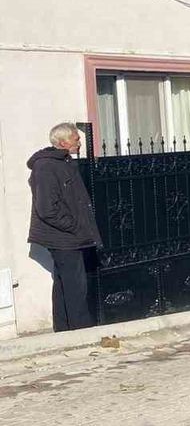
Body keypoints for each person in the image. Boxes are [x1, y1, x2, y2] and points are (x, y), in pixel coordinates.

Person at [28, 123, 101, 332]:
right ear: (62, 142)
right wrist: (75, 226)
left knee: (63, 283)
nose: (80, 143)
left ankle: (63, 330)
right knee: (76, 286)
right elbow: (46, 208)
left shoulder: (64, 162)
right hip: (62, 237)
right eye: (76, 139)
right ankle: (81, 331)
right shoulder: (46, 166)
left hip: (67, 236)